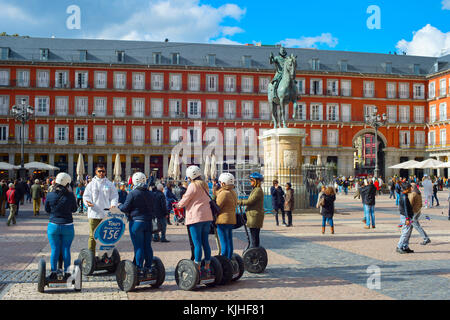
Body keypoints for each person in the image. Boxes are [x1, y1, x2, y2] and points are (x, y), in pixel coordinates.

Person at [176, 165, 214, 279]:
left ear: (190, 176)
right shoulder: (205, 185)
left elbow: (184, 200)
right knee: (205, 243)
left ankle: (197, 268)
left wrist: (177, 205)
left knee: (197, 244)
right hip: (207, 217)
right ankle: (207, 267)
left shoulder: (193, 185)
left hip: (195, 218)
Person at [119, 172, 156, 278]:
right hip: (148, 222)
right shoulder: (150, 193)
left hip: (136, 223)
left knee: (139, 247)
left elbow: (125, 208)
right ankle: (148, 268)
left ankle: (139, 269)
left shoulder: (133, 193)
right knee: (147, 246)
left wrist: (119, 205)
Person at [44, 172, 77, 279]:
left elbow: (47, 209)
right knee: (66, 249)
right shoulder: (70, 195)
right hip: (68, 225)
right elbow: (74, 209)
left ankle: (53, 272)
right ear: (67, 183)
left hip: (53, 225)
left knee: (55, 249)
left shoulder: (49, 194)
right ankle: (67, 273)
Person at [83, 164, 119, 256]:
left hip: (106, 214)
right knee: (92, 237)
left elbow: (114, 196)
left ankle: (105, 255)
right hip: (94, 214)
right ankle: (91, 256)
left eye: (103, 171)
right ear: (96, 172)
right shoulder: (91, 184)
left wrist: (113, 205)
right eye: (99, 171)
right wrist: (88, 203)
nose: (101, 173)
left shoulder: (109, 184)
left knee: (106, 237)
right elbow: (86, 196)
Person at [237, 172, 265, 248]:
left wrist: (239, 202)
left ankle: (255, 251)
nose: (250, 182)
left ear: (256, 181)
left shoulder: (258, 190)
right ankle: (255, 249)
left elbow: (250, 201)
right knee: (254, 236)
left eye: (252, 180)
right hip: (253, 216)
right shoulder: (255, 190)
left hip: (254, 217)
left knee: (254, 237)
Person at [215, 173, 238, 259]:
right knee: (229, 240)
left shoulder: (224, 193)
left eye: (220, 182)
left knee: (223, 241)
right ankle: (229, 258)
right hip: (231, 219)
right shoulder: (233, 192)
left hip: (223, 220)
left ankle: (224, 259)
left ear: (224, 183)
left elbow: (217, 206)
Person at [397, 183, 415, 254]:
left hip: (407, 216)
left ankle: (405, 246)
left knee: (408, 232)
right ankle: (399, 246)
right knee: (405, 232)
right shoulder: (404, 197)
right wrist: (407, 218)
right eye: (410, 188)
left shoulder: (404, 195)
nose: (411, 189)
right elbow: (405, 208)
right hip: (405, 216)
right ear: (406, 189)